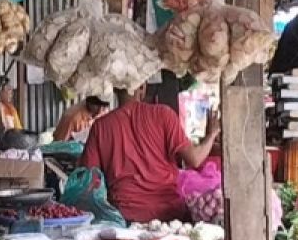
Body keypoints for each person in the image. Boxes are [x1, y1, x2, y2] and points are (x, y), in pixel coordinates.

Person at [79, 87, 220, 223]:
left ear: (115, 89)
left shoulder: (100, 126)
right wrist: (212, 134)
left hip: (124, 218)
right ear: (142, 87)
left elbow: (88, 181)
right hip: (169, 217)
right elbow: (195, 159)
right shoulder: (164, 114)